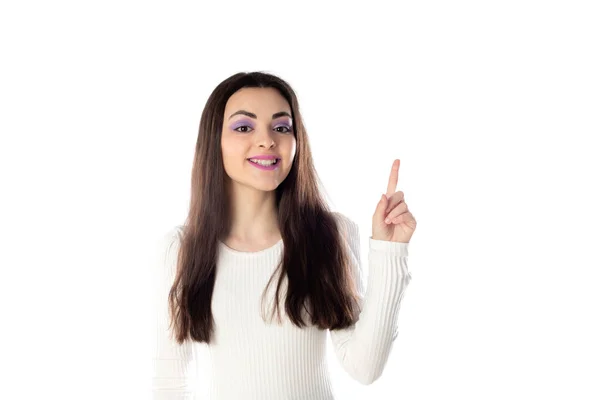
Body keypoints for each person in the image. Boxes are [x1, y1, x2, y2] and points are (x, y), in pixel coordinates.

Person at [151, 71, 417, 399]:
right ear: (214, 140)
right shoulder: (180, 250)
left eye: (281, 127)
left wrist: (389, 252)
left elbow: (364, 367)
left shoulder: (329, 235)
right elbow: (170, 383)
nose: (267, 140)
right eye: (244, 127)